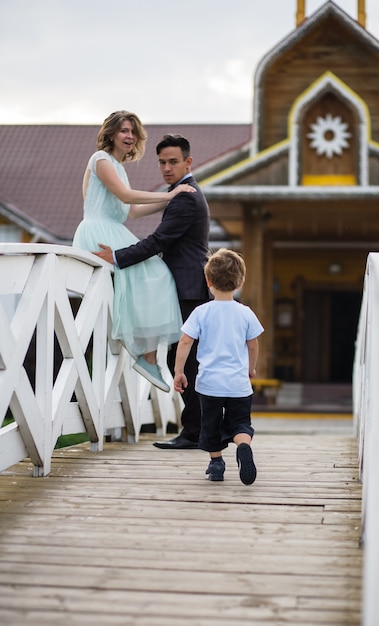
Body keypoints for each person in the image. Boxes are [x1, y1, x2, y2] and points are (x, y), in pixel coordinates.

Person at [94, 134, 211, 449]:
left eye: (173, 162)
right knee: (185, 360)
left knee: (187, 362)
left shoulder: (185, 196)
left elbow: (159, 241)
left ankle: (195, 432)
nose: (167, 168)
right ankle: (199, 430)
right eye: (162, 162)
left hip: (189, 288)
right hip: (187, 286)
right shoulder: (177, 194)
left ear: (188, 162)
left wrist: (117, 257)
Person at [73, 111, 196, 392]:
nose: (129, 136)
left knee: (156, 274)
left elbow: (133, 212)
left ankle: (147, 354)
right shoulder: (100, 160)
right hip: (98, 232)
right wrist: (169, 195)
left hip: (114, 229)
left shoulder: (118, 166)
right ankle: (144, 352)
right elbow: (126, 196)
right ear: (111, 134)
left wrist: (170, 199)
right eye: (124, 131)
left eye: (132, 132)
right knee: (154, 273)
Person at [173, 248, 264, 485]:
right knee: (241, 423)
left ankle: (216, 463)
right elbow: (253, 345)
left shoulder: (201, 312)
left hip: (210, 384)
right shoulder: (245, 313)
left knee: (210, 425)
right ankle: (243, 446)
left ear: (208, 280)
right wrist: (250, 368)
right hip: (238, 384)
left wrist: (179, 371)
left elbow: (185, 341)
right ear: (241, 281)